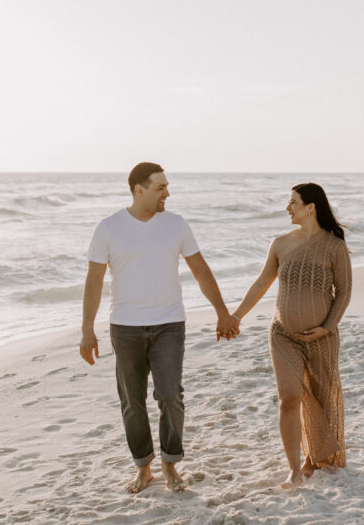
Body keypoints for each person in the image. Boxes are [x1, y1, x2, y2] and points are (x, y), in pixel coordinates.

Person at [79, 162, 240, 494]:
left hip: (169, 324)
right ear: (139, 190)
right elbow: (94, 282)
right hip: (125, 328)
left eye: (167, 186)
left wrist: (222, 312)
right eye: (160, 187)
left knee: (170, 396)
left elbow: (200, 269)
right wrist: (87, 329)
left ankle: (170, 463)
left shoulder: (176, 225)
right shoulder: (108, 228)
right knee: (132, 402)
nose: (168, 192)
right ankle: (143, 468)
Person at [232, 182, 352, 487]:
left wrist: (327, 326)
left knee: (323, 399)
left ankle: (315, 458)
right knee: (289, 398)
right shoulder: (280, 244)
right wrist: (235, 316)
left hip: (322, 338)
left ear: (310, 207)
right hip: (283, 335)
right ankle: (294, 469)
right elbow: (261, 284)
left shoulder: (334, 246)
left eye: (293, 202)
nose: (288, 208)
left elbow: (344, 291)